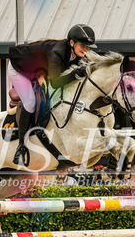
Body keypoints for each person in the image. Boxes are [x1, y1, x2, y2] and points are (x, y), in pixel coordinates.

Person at [8, 23, 97, 166]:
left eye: (88, 47)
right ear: (72, 42)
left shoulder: (77, 54)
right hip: (19, 68)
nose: (86, 50)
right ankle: (21, 146)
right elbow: (55, 83)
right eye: (83, 45)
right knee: (30, 102)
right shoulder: (57, 52)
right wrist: (77, 73)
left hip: (39, 69)